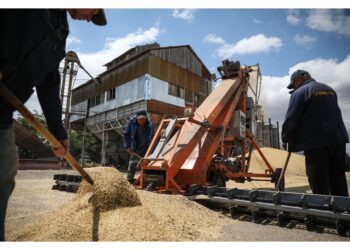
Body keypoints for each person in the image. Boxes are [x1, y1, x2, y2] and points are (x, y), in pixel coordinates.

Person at [0, 9, 106, 241]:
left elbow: (48, 82)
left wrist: (58, 132)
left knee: (5, 170)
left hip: (3, 109)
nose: (92, 16)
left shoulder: (60, 32)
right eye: (95, 9)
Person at [282, 69, 349, 197]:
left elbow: (292, 118)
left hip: (316, 142)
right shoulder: (329, 89)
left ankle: (321, 211)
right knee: (338, 178)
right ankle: (342, 210)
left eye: (293, 83)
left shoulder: (300, 92)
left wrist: (286, 137)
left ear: (300, 78)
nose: (293, 87)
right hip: (338, 140)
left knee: (318, 179)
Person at [123, 110, 154, 184]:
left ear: (146, 118)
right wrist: (127, 146)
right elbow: (126, 134)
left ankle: (144, 181)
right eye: (140, 119)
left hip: (146, 148)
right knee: (132, 165)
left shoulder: (149, 125)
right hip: (134, 148)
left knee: (145, 165)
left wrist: (151, 151)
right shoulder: (131, 122)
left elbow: (152, 138)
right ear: (136, 118)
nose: (142, 121)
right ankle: (129, 180)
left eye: (144, 119)